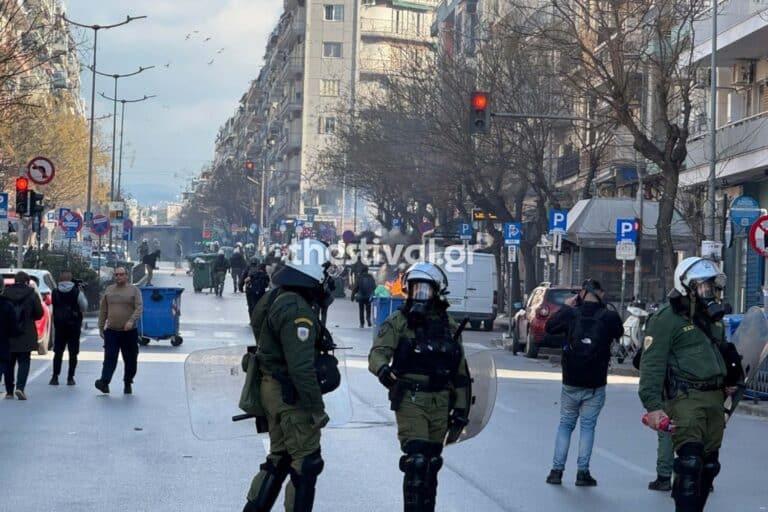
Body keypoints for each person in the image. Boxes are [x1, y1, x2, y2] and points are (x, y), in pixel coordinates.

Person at [368, 262, 469, 512]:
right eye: (415, 289)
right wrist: (383, 370)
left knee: (432, 463)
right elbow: (377, 353)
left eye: (425, 290)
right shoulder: (399, 321)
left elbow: (461, 372)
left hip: (441, 400)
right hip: (411, 398)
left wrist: (461, 410)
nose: (419, 295)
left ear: (437, 292)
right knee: (416, 461)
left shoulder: (450, 327)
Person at [639, 257, 737, 511]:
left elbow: (715, 353)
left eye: (712, 286)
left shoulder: (711, 318)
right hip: (685, 397)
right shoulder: (665, 318)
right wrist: (653, 405)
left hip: (714, 399)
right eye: (703, 286)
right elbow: (652, 364)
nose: (709, 292)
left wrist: (729, 379)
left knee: (709, 465)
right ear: (688, 287)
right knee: (689, 463)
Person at [242, 239, 332, 511]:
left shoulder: (276, 296)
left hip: (272, 388)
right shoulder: (296, 309)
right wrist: (316, 408)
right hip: (291, 395)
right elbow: (301, 367)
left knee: (279, 458)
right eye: (324, 269)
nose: (327, 276)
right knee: (307, 462)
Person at [543, 279, 624, 487]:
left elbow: (550, 328)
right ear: (599, 293)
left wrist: (566, 306)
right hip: (595, 382)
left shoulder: (571, 314)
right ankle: (582, 472)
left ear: (581, 293)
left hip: (571, 380)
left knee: (565, 425)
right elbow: (619, 333)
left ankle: (556, 471)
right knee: (587, 427)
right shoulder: (609, 316)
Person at [96, 266, 143, 395]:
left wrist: (131, 320)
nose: (119, 277)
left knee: (130, 359)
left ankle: (128, 382)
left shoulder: (134, 290)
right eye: (116, 275)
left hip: (129, 332)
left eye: (121, 274)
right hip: (112, 331)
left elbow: (139, 308)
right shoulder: (109, 290)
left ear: (126, 276)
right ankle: (104, 382)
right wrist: (101, 326)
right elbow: (103, 310)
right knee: (110, 358)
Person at [2, 271, 44, 400]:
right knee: (24, 361)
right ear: (27, 281)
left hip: (8, 333)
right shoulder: (32, 294)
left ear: (15, 280)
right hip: (26, 333)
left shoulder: (5, 293)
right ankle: (20, 388)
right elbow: (39, 313)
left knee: (8, 362)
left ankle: (9, 391)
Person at [49, 271, 88, 386]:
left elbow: (53, 306)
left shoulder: (54, 292)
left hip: (59, 325)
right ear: (71, 280)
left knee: (58, 352)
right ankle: (70, 378)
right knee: (73, 353)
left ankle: (55, 377)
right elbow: (84, 306)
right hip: (73, 326)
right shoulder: (76, 291)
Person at [0, 281, 18, 394]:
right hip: (3, 341)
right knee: (4, 364)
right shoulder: (7, 305)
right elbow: (13, 325)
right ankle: (9, 389)